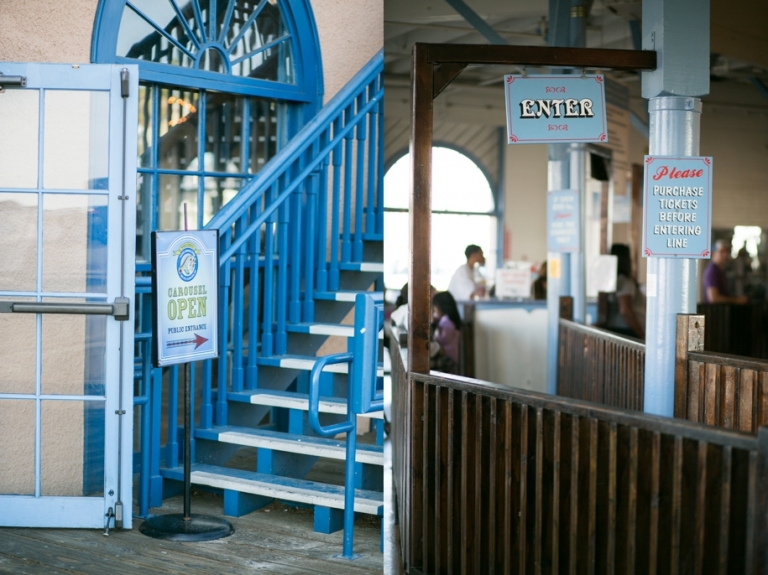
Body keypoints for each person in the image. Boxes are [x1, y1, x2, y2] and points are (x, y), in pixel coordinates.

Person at [606, 244, 646, 339]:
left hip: (617, 328)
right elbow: (625, 311)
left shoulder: (614, 281)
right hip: (627, 330)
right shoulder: (624, 282)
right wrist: (641, 334)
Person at [703, 240, 748, 304]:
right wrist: (737, 301)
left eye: (727, 251)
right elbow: (714, 298)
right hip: (716, 310)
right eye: (722, 252)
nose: (725, 255)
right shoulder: (712, 271)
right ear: (713, 254)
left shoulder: (720, 270)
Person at [430, 291, 461, 373]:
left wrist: (434, 338)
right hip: (451, 356)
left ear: (440, 307)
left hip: (448, 356)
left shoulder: (447, 322)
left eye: (434, 307)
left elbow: (444, 339)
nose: (434, 310)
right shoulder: (448, 319)